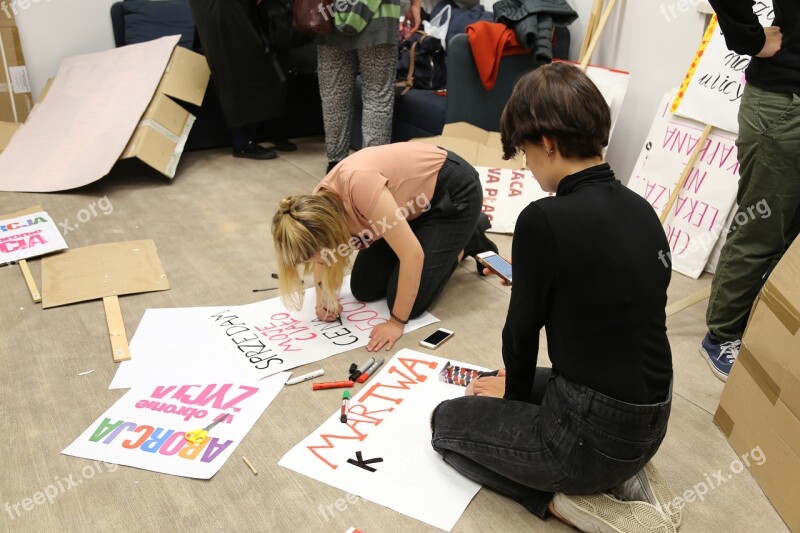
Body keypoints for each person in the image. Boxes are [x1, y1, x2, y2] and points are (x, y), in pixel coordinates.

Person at [430, 63, 680, 533]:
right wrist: (515, 389)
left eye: (524, 151)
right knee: (496, 378)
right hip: (652, 414)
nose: (526, 164)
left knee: (447, 424)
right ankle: (625, 471)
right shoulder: (640, 208)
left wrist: (514, 402)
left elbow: (521, 332)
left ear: (547, 141)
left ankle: (565, 502)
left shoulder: (543, 219)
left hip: (592, 434)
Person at [271, 142, 495, 351]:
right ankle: (425, 235)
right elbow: (323, 257)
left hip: (450, 193)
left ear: (328, 233)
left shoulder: (360, 187)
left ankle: (465, 240)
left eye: (314, 255)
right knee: (364, 288)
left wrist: (396, 323)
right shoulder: (311, 209)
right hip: (404, 208)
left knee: (411, 305)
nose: (316, 262)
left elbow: (412, 255)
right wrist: (324, 297)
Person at [700, 0, 800, 381]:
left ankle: (765, 326)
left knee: (791, 241)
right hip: (786, 104)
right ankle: (722, 335)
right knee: (763, 230)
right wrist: (750, 37)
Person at [316, 0, 421, 173]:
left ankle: (335, 168)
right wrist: (415, 4)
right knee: (377, 96)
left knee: (334, 94)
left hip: (331, 13)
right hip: (379, 18)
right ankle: (371, 172)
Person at [189, 0, 297, 160]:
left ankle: (269, 127)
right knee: (233, 66)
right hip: (219, 7)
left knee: (268, 58)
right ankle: (241, 141)